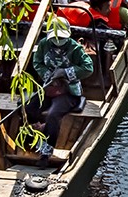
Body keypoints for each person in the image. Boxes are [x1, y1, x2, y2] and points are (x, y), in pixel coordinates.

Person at [25, 17, 93, 158]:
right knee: (29, 107)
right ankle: (39, 130)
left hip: (68, 92)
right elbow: (37, 62)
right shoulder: (44, 44)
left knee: (53, 115)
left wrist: (65, 73)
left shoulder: (75, 48)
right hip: (49, 88)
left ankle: (47, 151)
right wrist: (48, 75)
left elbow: (88, 67)